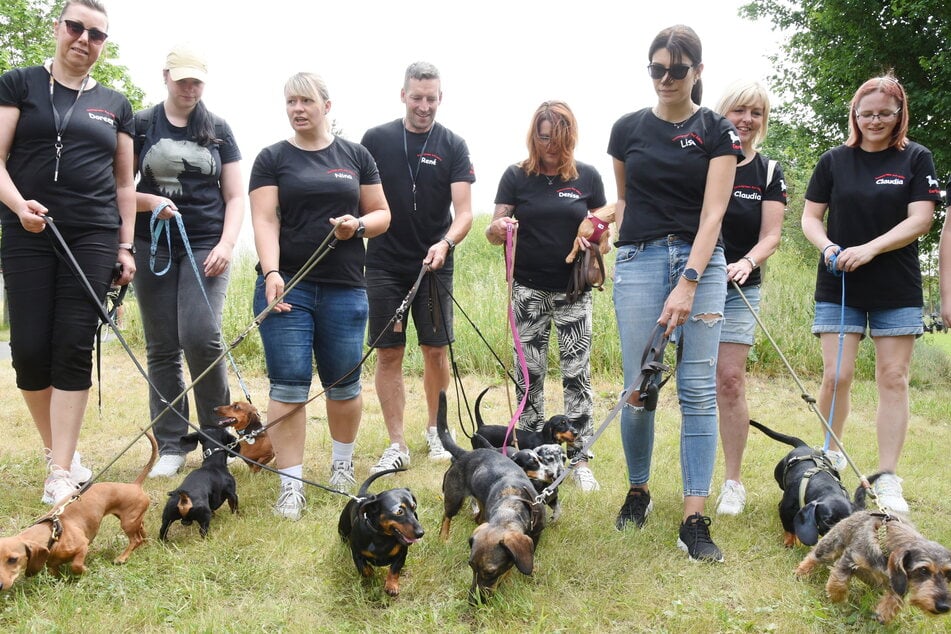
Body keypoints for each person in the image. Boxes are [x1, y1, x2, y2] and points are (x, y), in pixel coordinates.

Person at [608, 24, 741, 562]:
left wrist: (688, 280)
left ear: (698, 72)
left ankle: (693, 518)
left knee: (697, 390)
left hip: (702, 265)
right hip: (638, 260)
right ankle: (638, 490)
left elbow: (714, 212)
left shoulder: (718, 131)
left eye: (677, 70)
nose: (666, 78)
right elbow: (624, 201)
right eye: (657, 69)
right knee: (639, 388)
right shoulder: (626, 130)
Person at [0, 0, 136, 505]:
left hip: (94, 234)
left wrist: (125, 245)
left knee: (73, 345)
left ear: (104, 44)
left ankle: (60, 470)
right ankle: (60, 453)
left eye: (96, 34)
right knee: (31, 351)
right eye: (76, 27)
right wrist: (18, 206)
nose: (84, 39)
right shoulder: (19, 83)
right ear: (58, 28)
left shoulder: (116, 103)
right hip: (27, 229)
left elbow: (125, 183)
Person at [249, 72, 390, 520]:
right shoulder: (271, 158)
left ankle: (342, 468)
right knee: (288, 385)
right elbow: (266, 220)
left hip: (346, 287)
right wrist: (271, 272)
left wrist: (359, 226)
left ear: (327, 105)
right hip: (288, 286)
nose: (297, 108)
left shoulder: (356, 155)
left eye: (306, 100)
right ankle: (291, 486)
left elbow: (382, 213)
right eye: (290, 101)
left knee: (343, 384)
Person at [801, 74, 939, 514]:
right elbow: (810, 218)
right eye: (866, 114)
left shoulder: (917, 158)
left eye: (884, 113)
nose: (874, 121)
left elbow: (921, 220)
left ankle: (887, 477)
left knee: (893, 378)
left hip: (895, 286)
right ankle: (829, 457)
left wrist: (871, 248)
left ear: (899, 114)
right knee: (836, 376)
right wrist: (829, 248)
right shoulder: (834, 161)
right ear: (854, 115)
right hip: (839, 283)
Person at [131, 44, 244, 478]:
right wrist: (150, 201)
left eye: (196, 80)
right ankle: (172, 444)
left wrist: (228, 244)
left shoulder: (218, 128)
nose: (189, 87)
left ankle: (218, 440)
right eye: (182, 79)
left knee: (200, 336)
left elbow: (234, 195)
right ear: (166, 77)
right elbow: (119, 186)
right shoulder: (141, 123)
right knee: (162, 345)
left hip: (206, 246)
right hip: (154, 242)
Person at [485, 100, 608, 492]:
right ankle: (531, 454)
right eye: (543, 136)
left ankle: (580, 457)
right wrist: (499, 228)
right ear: (533, 135)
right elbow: (491, 231)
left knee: (577, 376)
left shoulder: (587, 177)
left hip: (573, 291)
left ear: (569, 137)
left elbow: (603, 233)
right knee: (530, 376)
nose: (550, 145)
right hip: (528, 291)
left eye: (557, 137)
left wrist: (597, 239)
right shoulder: (516, 176)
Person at [360, 61, 474, 473]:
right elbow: (358, 198)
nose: (424, 106)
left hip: (434, 261)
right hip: (385, 263)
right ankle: (396, 442)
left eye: (431, 98)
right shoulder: (375, 139)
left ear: (440, 98)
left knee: (436, 350)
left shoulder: (454, 145)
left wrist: (445, 243)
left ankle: (437, 430)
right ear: (403, 95)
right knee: (388, 353)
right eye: (417, 97)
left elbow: (464, 214)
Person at [712, 80, 787, 515]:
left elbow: (772, 234)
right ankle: (693, 480)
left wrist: (747, 263)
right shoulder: (705, 159)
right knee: (695, 386)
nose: (746, 119)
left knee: (730, 380)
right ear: (723, 113)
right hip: (695, 284)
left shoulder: (769, 170)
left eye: (755, 112)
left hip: (742, 287)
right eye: (739, 110)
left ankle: (733, 482)